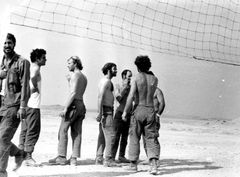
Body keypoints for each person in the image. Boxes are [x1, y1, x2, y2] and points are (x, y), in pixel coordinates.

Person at [122, 55, 160, 175]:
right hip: (151, 110)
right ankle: (153, 165)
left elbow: (131, 96)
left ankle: (133, 165)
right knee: (151, 138)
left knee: (134, 137)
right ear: (148, 65)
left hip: (139, 108)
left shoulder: (137, 78)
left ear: (137, 66)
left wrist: (125, 112)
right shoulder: (155, 79)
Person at [0, 33, 30, 177]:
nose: (6, 46)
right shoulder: (3, 61)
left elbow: (25, 86)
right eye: (5, 43)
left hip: (14, 105)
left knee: (2, 139)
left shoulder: (22, 62)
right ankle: (19, 153)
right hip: (2, 105)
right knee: (1, 139)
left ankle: (1, 173)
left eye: (9, 43)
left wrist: (23, 107)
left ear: (14, 44)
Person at [49, 56, 87, 166]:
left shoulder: (75, 75)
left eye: (69, 63)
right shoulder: (84, 77)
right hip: (81, 105)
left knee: (63, 129)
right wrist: (69, 81)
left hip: (73, 104)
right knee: (77, 132)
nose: (68, 65)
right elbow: (77, 91)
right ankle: (74, 158)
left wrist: (65, 108)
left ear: (75, 64)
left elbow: (73, 92)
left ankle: (61, 156)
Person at [18, 49, 47, 166]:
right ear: (38, 58)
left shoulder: (29, 67)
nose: (45, 59)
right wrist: (34, 87)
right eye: (44, 57)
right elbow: (33, 77)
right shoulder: (35, 68)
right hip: (33, 105)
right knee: (33, 131)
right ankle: (28, 157)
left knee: (24, 130)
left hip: (26, 105)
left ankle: (21, 155)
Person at [95, 62, 118, 167]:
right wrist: (100, 112)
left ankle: (99, 158)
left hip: (106, 110)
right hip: (106, 111)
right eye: (114, 69)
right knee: (110, 136)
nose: (116, 71)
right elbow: (100, 97)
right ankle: (108, 159)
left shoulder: (104, 81)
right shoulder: (107, 82)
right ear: (108, 70)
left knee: (102, 136)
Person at [112, 69, 132, 163]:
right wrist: (125, 88)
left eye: (131, 76)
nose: (130, 78)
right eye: (129, 76)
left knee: (125, 137)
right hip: (119, 113)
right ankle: (112, 156)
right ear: (124, 76)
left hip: (128, 113)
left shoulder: (132, 87)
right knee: (116, 136)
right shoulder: (117, 85)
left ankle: (121, 156)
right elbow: (118, 98)